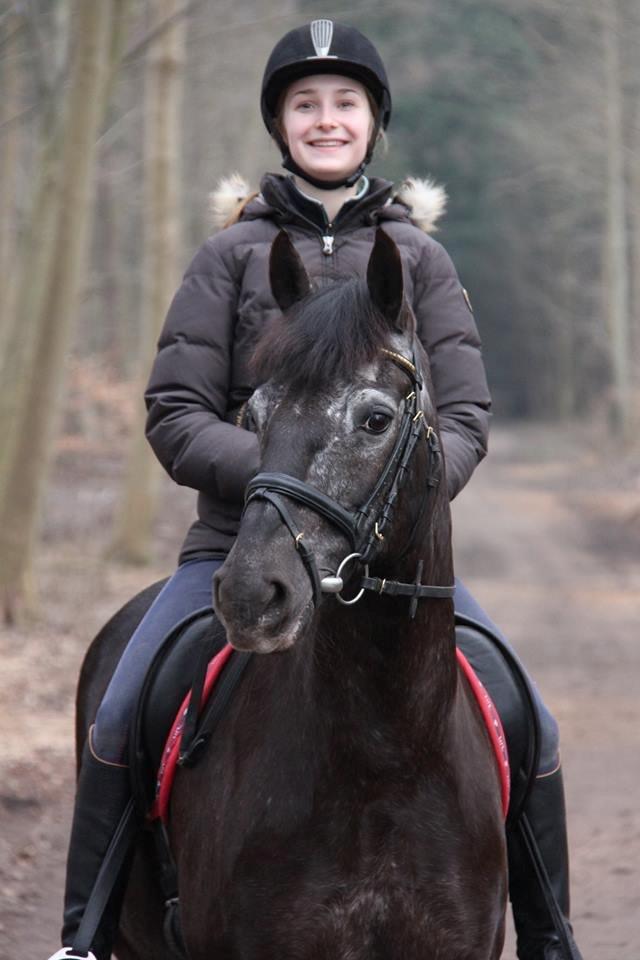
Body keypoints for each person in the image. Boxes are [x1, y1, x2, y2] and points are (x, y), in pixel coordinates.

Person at [48, 19, 583, 960]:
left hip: (399, 567)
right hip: (243, 544)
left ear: (374, 121)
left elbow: (462, 417)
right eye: (305, 104)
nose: (325, 120)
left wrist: (397, 500)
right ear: (279, 124)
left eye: (345, 103)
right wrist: (293, 479)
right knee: (124, 704)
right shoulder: (229, 260)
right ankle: (83, 937)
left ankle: (550, 938)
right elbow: (176, 409)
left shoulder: (421, 263)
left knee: (523, 710)